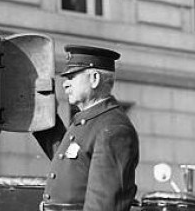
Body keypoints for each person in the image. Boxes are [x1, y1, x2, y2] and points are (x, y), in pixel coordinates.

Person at [33, 45, 139, 211]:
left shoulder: (113, 128)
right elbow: (71, 163)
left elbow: (103, 204)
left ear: (94, 78)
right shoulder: (89, 121)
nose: (65, 85)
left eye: (72, 77)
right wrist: (42, 114)